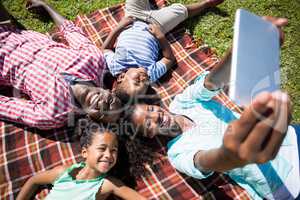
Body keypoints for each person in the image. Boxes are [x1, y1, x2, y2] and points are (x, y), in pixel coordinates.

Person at [123, 16, 300, 200]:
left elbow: (211, 83)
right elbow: (204, 161)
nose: (157, 116)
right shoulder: (177, 153)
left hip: (290, 137)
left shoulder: (181, 103)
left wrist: (239, 49)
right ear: (150, 135)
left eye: (151, 111)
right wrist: (230, 155)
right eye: (148, 123)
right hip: (285, 182)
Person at [0, 0, 122, 130]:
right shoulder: (94, 61)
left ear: (91, 118)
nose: (102, 104)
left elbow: (6, 107)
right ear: (110, 91)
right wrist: (46, 6)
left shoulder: (52, 114)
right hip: (12, 31)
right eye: (109, 102)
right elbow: (71, 31)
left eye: (103, 113)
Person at [102, 0, 224, 102]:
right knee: (180, 11)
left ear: (121, 77)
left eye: (137, 81)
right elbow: (169, 59)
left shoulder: (116, 66)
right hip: (157, 25)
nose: (143, 79)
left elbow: (105, 49)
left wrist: (119, 28)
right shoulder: (151, 74)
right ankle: (207, 3)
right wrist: (160, 36)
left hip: (133, 17)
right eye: (144, 84)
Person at [16, 123, 146, 200]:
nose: (108, 155)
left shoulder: (106, 184)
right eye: (102, 148)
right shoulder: (63, 173)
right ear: (85, 152)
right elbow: (34, 180)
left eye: (114, 151)